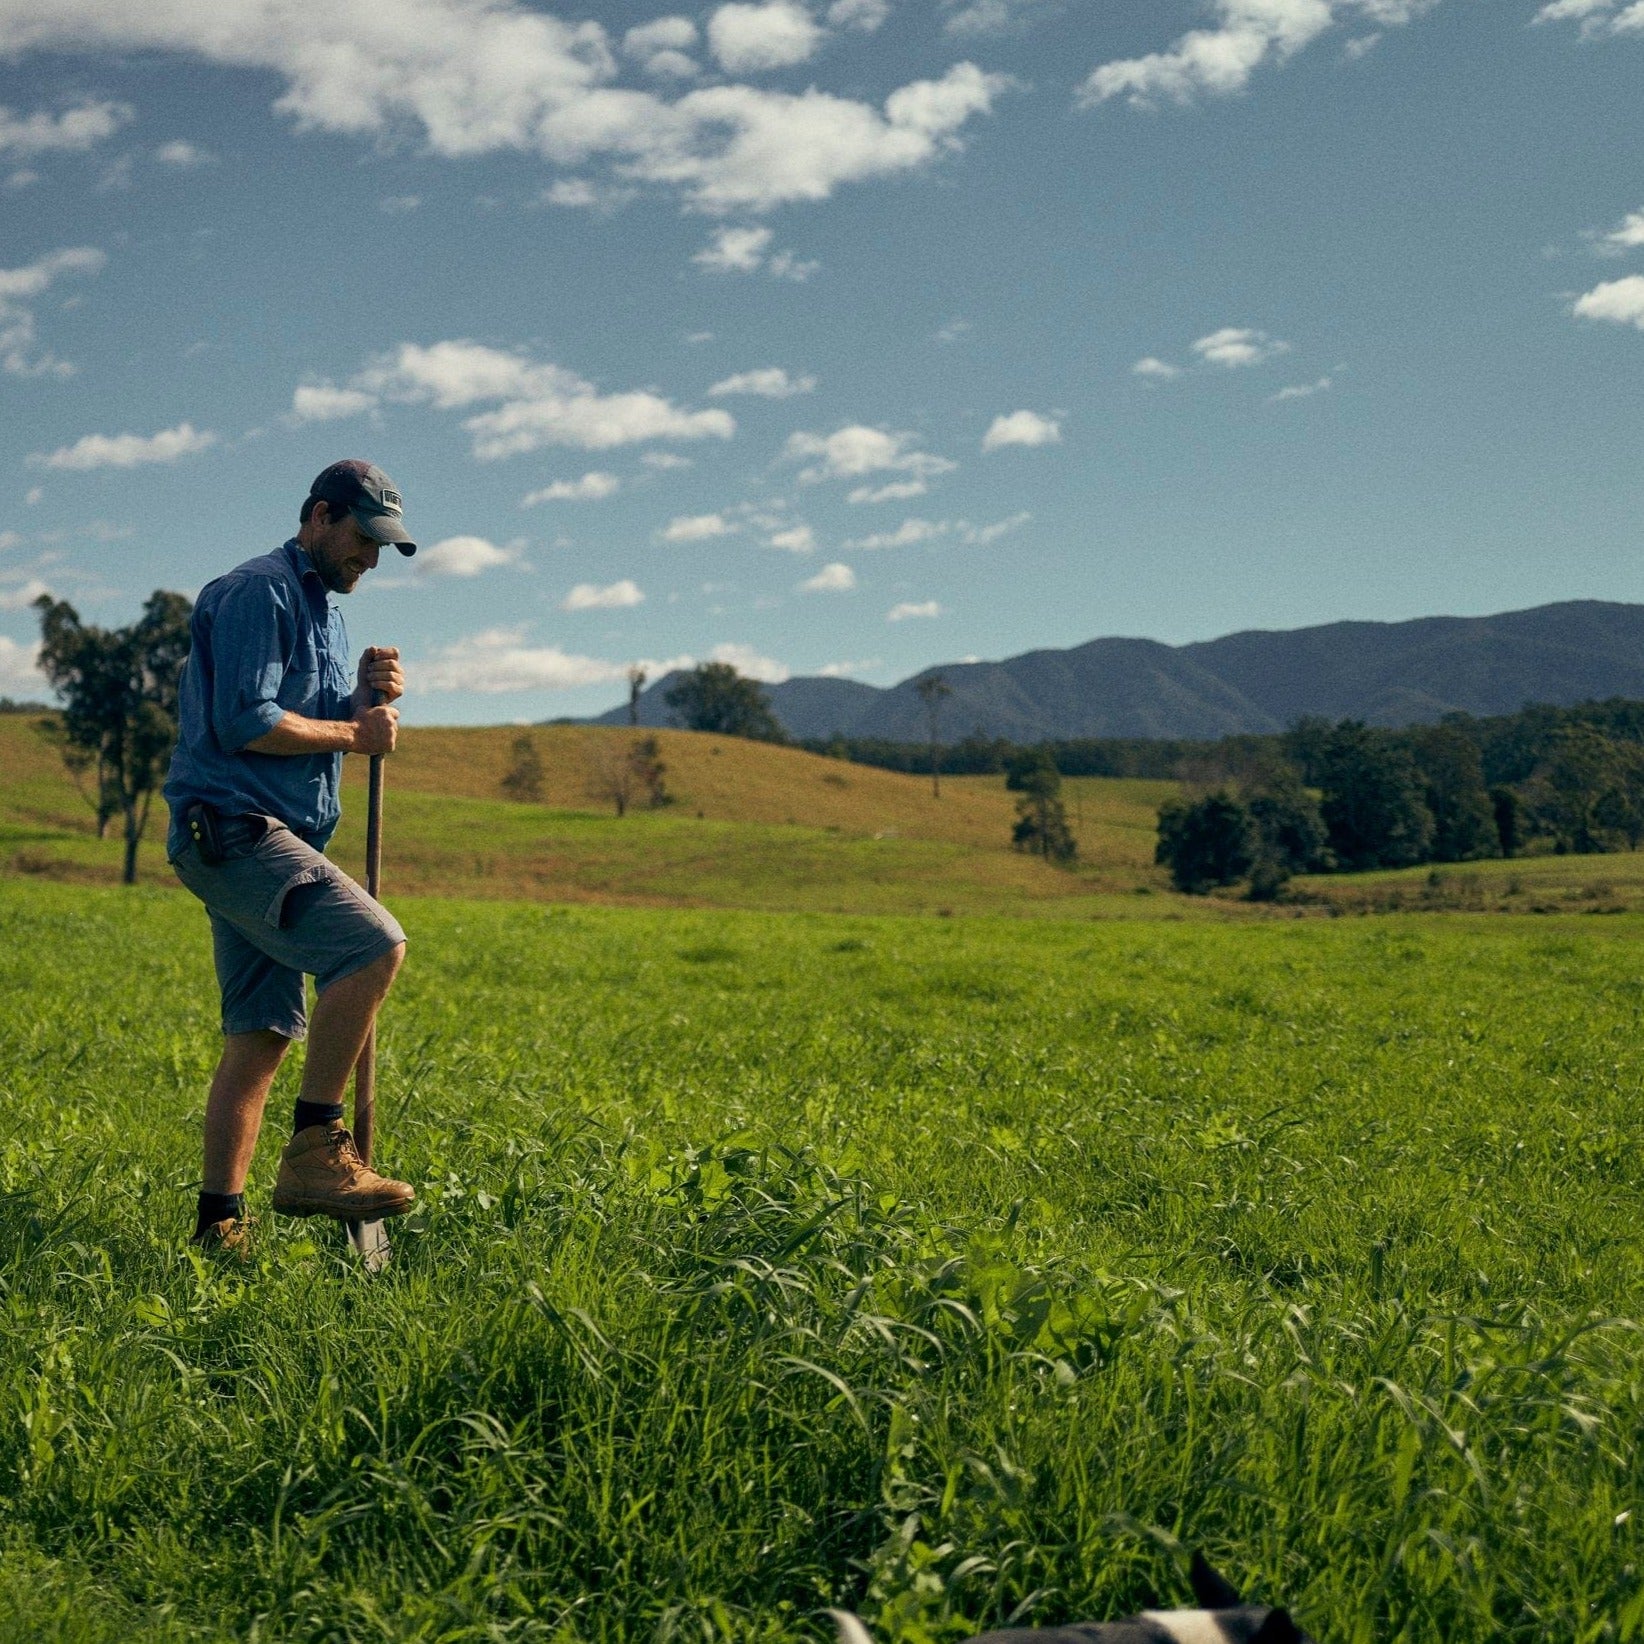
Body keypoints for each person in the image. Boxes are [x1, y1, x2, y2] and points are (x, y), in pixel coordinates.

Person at [164, 460, 419, 1253]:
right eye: (363, 539)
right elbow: (247, 720)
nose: (370, 559)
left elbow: (302, 718)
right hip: (235, 831)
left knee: (263, 1032)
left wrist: (362, 701)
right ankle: (315, 1147)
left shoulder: (324, 611)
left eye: (383, 547)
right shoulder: (257, 592)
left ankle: (218, 1227)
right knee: (374, 944)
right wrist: (357, 735)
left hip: (271, 837)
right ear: (318, 515)